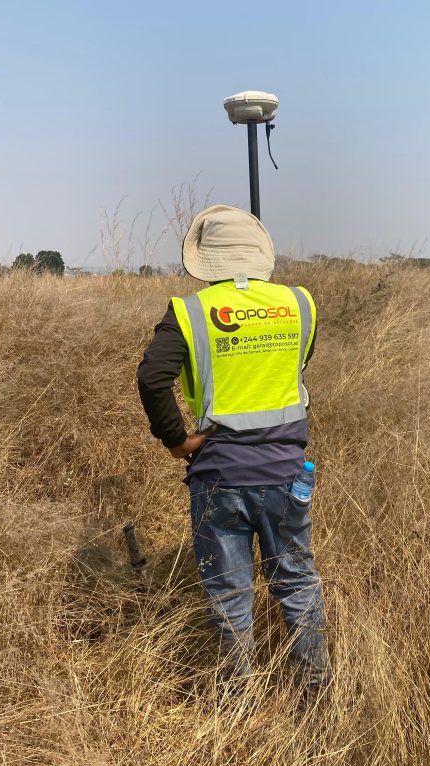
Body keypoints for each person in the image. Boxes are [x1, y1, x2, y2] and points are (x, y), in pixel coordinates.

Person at [137, 204, 330, 696]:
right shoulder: (300, 304)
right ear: (259, 254)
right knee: (297, 582)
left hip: (220, 476)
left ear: (205, 263)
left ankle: (238, 704)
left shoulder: (188, 312)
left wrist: (176, 440)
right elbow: (297, 364)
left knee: (230, 594)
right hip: (288, 473)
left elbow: (152, 377)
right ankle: (316, 694)